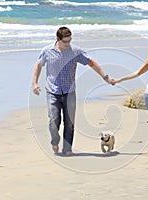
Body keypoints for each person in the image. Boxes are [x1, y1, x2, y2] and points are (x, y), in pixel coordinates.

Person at [32, 27, 114, 156]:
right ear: (57, 39)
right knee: (54, 120)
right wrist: (35, 83)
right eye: (65, 41)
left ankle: (67, 148)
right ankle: (55, 140)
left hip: (69, 91)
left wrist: (105, 77)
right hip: (52, 91)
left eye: (70, 40)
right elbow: (38, 65)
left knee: (69, 123)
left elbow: (91, 62)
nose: (68, 44)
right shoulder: (47, 51)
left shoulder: (75, 51)